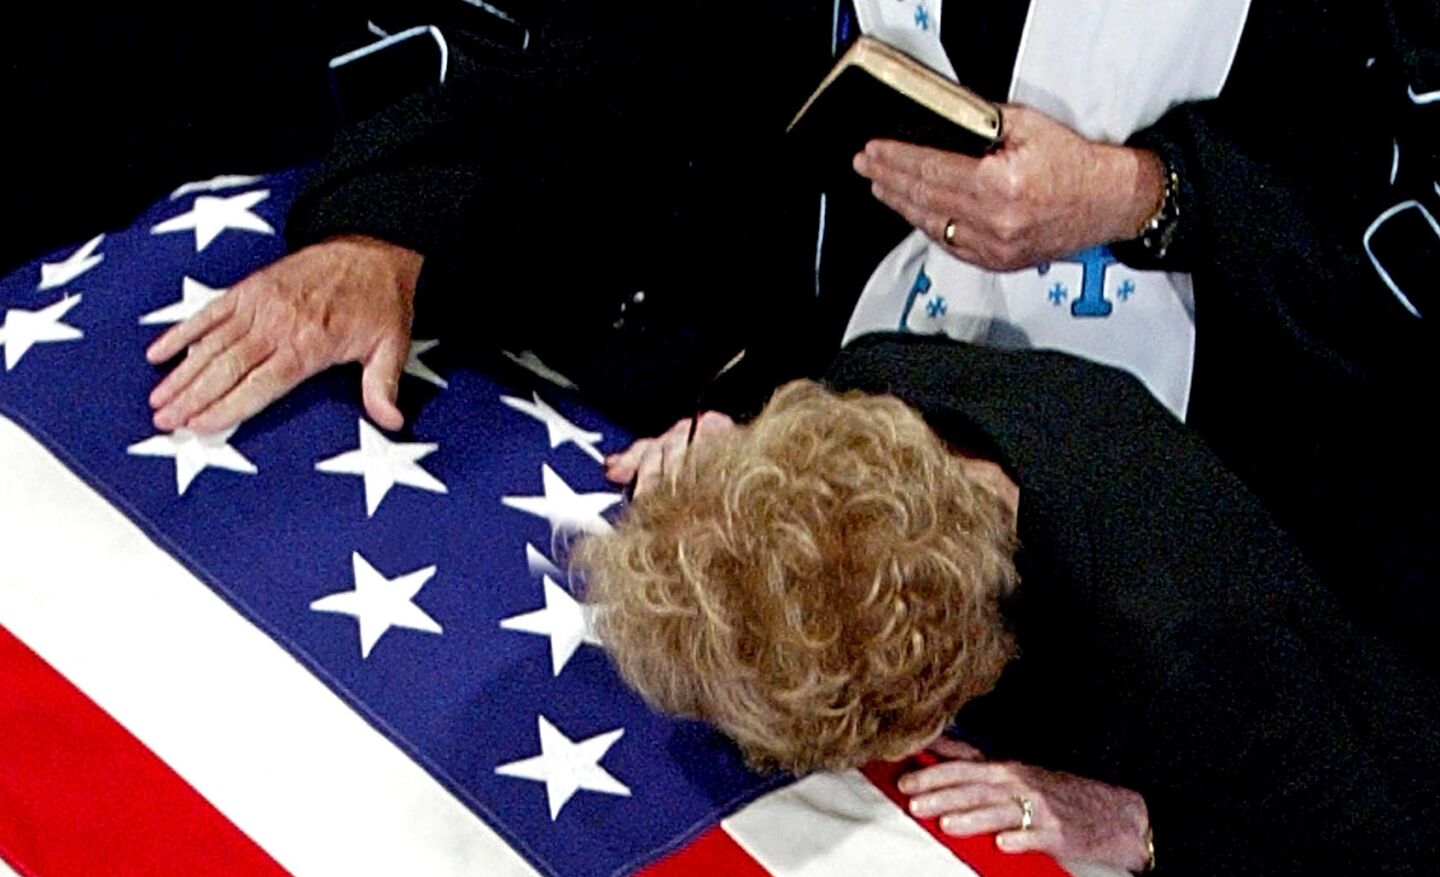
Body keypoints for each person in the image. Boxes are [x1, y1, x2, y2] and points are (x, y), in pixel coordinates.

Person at [142, 1, 1437, 661]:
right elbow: (614, 51)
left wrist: (1155, 201)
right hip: (805, 381)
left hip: (1192, 538)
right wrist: (399, 233)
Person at [579, 332, 1440, 877]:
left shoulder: (1183, 646)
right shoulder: (879, 381)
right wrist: (727, 479)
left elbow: (1395, 874)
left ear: (933, 701)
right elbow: (797, 522)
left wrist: (1147, 826)